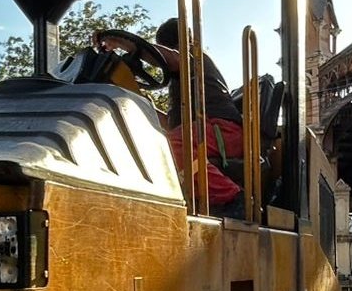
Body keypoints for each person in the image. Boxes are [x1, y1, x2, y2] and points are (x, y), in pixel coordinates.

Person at [94, 19, 245, 217]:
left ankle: (233, 198)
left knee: (173, 145)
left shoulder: (194, 57)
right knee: (151, 144)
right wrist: (138, 104)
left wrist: (121, 41)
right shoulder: (180, 84)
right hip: (201, 131)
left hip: (224, 130)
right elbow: (169, 124)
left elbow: (171, 59)